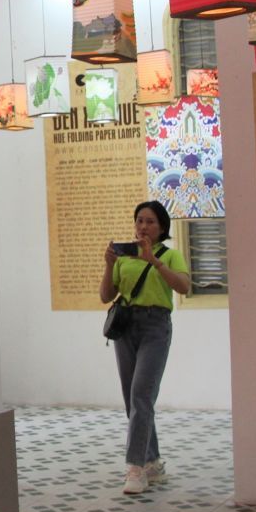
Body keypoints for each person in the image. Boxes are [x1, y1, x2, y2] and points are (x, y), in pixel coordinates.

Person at [100, 201, 192, 494]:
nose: (143, 226)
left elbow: (183, 286)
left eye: (150, 221)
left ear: (162, 227)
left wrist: (155, 261)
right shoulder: (125, 259)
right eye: (139, 220)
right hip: (126, 327)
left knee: (141, 394)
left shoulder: (170, 255)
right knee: (133, 399)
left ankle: (135, 469)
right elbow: (106, 295)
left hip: (155, 326)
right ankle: (152, 461)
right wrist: (109, 265)